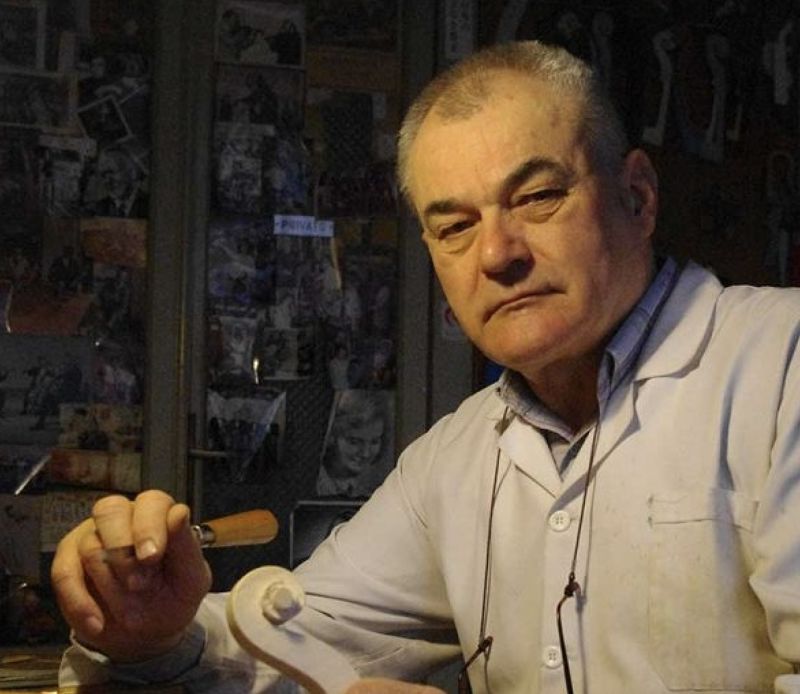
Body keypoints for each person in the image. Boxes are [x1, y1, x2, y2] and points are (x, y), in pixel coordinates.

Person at [52, 40, 800, 693]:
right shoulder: (458, 458)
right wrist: (154, 631)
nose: (497, 254)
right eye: (455, 226)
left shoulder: (778, 364)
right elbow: (294, 638)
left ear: (636, 197)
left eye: (538, 197)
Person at [315, 390, 392, 498]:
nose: (365, 453)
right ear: (331, 437)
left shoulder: (374, 491)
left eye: (374, 442)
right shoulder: (312, 486)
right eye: (354, 442)